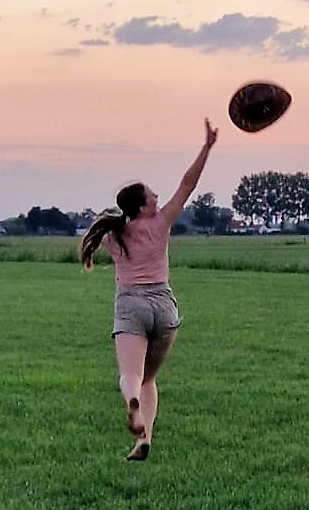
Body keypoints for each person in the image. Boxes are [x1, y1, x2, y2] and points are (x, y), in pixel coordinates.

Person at [79, 118, 219, 462]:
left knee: (131, 375)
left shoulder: (114, 235)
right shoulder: (162, 221)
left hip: (131, 304)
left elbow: (104, 225)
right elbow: (188, 184)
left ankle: (132, 406)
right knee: (150, 379)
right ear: (145, 206)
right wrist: (207, 147)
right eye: (152, 194)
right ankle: (145, 439)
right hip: (164, 306)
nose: (158, 196)